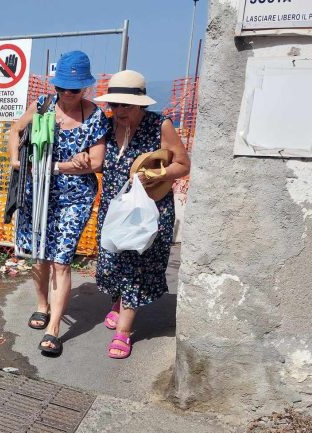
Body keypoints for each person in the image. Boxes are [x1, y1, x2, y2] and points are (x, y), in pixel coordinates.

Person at [7, 51, 109, 356]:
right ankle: (42, 305)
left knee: (62, 261)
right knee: (40, 256)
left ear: (85, 88)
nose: (67, 94)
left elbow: (98, 162)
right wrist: (15, 159)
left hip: (74, 198)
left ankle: (53, 329)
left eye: (74, 89)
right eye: (61, 88)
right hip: (38, 194)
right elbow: (15, 130)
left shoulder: (95, 117)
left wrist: (71, 164)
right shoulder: (42, 107)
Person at [93, 70, 191, 359]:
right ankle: (118, 299)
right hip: (115, 209)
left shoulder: (160, 125)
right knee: (113, 262)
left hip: (149, 209)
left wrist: (158, 172)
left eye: (126, 105)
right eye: (114, 105)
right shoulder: (108, 127)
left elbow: (183, 165)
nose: (119, 111)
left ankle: (124, 331)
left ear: (140, 104)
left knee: (136, 265)